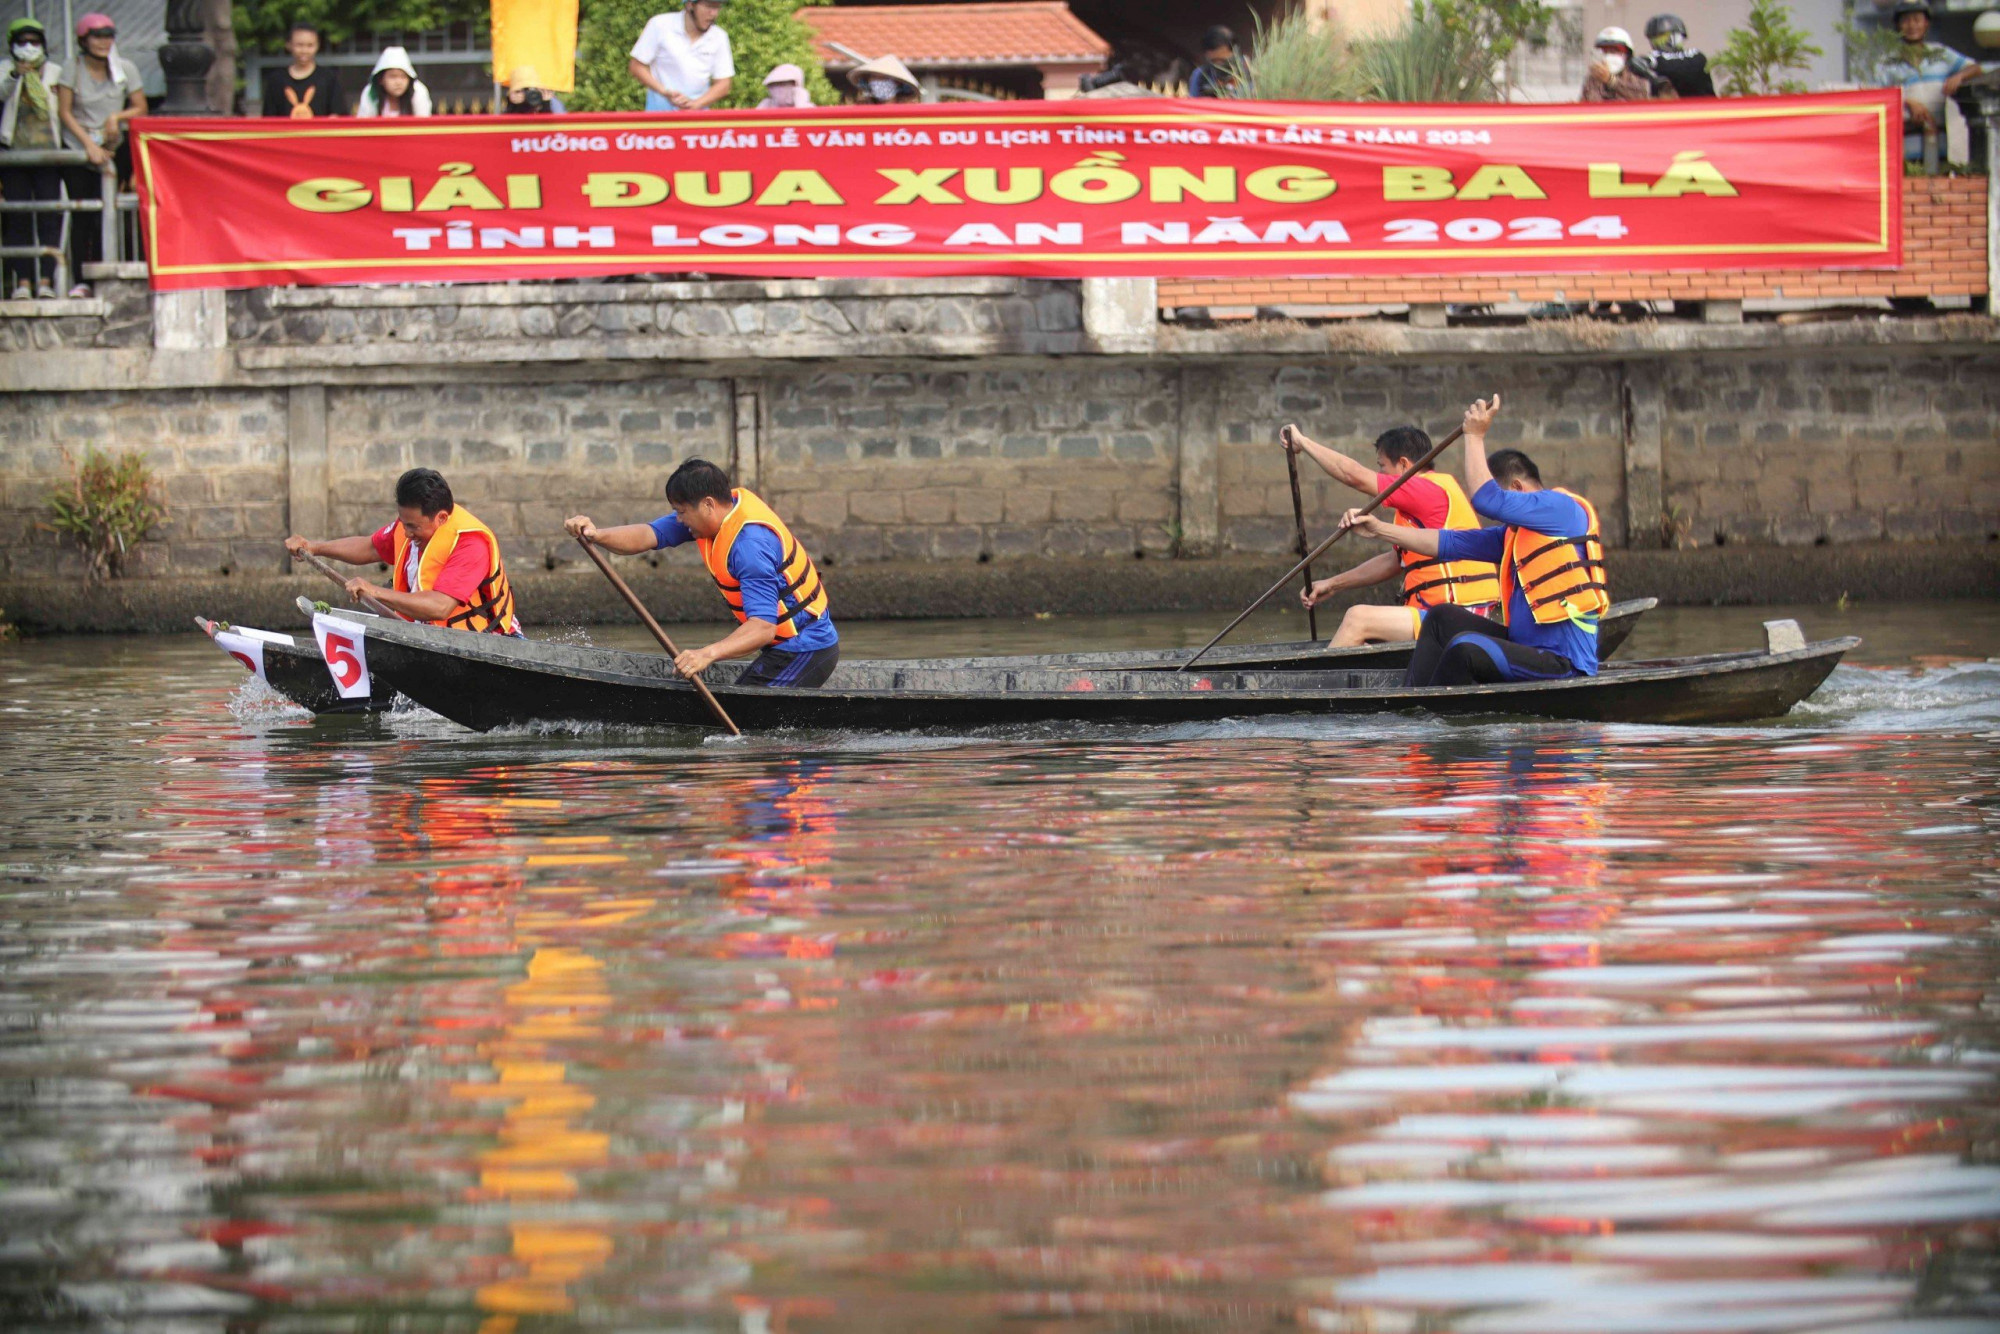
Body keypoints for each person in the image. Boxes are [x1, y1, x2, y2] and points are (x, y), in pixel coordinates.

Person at [1341, 395, 1610, 687]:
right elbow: (1445, 544)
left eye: (1507, 499)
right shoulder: (1513, 536)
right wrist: (1379, 529)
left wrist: (1474, 436)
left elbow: (1486, 499)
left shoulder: (1560, 509)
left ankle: (1432, 720)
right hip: (1526, 650)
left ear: (1517, 488)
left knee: (1465, 649)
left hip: (1562, 662)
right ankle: (1413, 701)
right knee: (1442, 618)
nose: (1501, 516)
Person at [563, 459, 839, 688]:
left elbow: (763, 628)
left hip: (806, 649)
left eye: (681, 512)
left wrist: (706, 654)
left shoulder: (750, 548)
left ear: (708, 504)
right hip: (781, 648)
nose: (679, 520)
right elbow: (650, 534)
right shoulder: (712, 515)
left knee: (744, 728)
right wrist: (596, 535)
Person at [1283, 422, 1500, 647]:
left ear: (1404, 464)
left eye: (1382, 466)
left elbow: (1353, 476)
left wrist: (1303, 443)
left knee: (1358, 619)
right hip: (1438, 612)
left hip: (1462, 612)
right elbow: (1396, 562)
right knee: (1363, 636)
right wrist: (1333, 584)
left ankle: (1319, 681)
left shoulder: (1425, 489)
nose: (1380, 474)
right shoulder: (1414, 508)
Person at [285, 468, 523, 636]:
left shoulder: (471, 544)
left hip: (486, 643)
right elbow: (369, 547)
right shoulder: (408, 527)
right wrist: (314, 547)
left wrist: (375, 592)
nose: (406, 533)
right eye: (402, 522)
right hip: (429, 637)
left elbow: (439, 606)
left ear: (441, 518)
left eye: (412, 526)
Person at [54, 13, 142, 296]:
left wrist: (116, 116)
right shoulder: (72, 68)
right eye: (97, 36)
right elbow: (64, 111)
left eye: (108, 36)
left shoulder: (124, 67)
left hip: (112, 146)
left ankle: (112, 272)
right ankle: (81, 280)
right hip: (78, 146)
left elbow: (140, 107)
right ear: (84, 40)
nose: (104, 42)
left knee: (112, 210)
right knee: (84, 214)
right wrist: (87, 145)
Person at [1, 17, 63, 299]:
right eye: (22, 42)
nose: (28, 47)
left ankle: (46, 281)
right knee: (18, 218)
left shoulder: (56, 72)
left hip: (49, 155)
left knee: (50, 217)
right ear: (12, 45)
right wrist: (17, 74)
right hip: (15, 155)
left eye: (34, 42)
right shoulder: (4, 70)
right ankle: (23, 282)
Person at [1882, 0, 1977, 165]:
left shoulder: (1940, 53)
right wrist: (1907, 101)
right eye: (1906, 20)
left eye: (1917, 20)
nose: (1912, 26)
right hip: (1905, 146)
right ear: (1897, 25)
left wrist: (1959, 76)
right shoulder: (1886, 62)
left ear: (1926, 24)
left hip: (1943, 144)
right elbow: (1878, 96)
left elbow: (1975, 68)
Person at [630, 1, 734, 112]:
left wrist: (696, 104)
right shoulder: (659, 25)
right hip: (658, 118)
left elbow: (724, 84)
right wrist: (664, 91)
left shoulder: (719, 36)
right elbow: (636, 66)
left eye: (717, 7)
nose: (714, 13)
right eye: (709, 6)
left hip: (698, 120)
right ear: (690, 5)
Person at [260, 22, 346, 118]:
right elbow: (269, 119)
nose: (304, 50)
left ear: (317, 46)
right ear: (289, 45)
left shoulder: (329, 79)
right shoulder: (276, 80)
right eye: (299, 45)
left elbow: (338, 115)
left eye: (310, 45)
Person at [1581, 26, 1673, 101]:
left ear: (1627, 54)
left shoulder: (1637, 73)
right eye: (1605, 51)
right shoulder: (1593, 78)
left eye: (1615, 51)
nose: (1609, 55)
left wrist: (1611, 81)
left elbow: (1642, 97)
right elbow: (1586, 102)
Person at [1637, 14, 1715, 97]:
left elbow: (1679, 68)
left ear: (1677, 35)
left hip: (1704, 107)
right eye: (1654, 40)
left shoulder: (1696, 55)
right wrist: (1651, 75)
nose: (1657, 44)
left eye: (1661, 38)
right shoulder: (1655, 57)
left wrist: (1653, 69)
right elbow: (1637, 62)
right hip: (1670, 108)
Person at [354, 46, 432, 117]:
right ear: (381, 79)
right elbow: (364, 123)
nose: (398, 82)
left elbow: (423, 124)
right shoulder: (370, 92)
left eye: (403, 77)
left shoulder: (418, 91)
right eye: (392, 77)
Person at [849, 54, 921, 104]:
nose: (878, 82)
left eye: (883, 78)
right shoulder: (863, 107)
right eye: (874, 77)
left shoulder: (909, 108)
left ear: (897, 82)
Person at [1188, 25, 1235, 98]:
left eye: (1222, 61)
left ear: (1234, 52)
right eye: (1214, 61)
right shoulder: (1199, 75)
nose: (1218, 65)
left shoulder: (1250, 74)